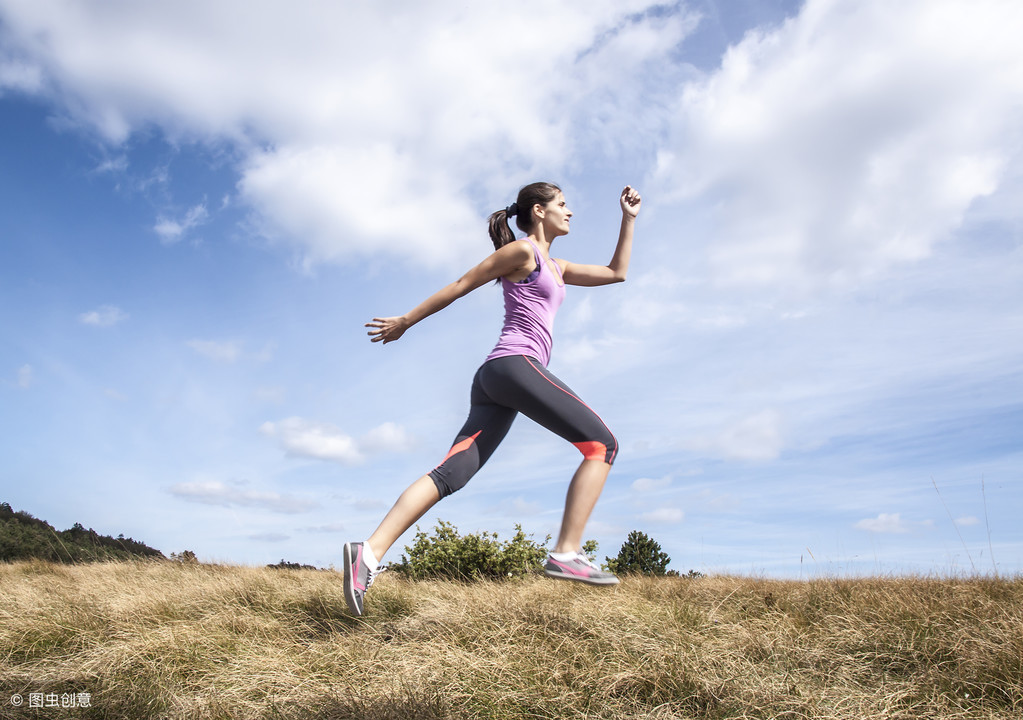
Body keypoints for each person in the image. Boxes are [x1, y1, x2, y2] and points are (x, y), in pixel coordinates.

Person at [343, 182, 641, 616]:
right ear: (539, 211)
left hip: (498, 382)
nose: (570, 211)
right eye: (563, 204)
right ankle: (566, 553)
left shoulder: (559, 267)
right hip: (513, 366)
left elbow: (617, 273)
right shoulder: (524, 254)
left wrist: (628, 219)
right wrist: (406, 321)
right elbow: (463, 283)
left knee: (453, 473)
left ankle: (367, 554)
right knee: (602, 445)